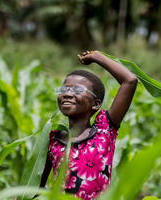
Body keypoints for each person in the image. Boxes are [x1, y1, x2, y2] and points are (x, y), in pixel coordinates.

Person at [38, 50, 137, 200]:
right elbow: (36, 184)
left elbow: (130, 81)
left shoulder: (104, 130)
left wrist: (97, 57)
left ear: (95, 104)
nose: (67, 93)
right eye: (64, 89)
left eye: (77, 90)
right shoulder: (52, 139)